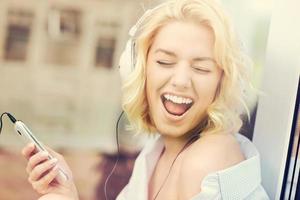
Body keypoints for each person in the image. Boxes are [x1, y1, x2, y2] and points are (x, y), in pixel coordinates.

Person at [21, 0, 270, 199]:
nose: (181, 80)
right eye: (165, 62)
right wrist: (67, 193)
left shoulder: (208, 159)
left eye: (202, 68)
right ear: (138, 70)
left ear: (222, 84)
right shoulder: (155, 153)